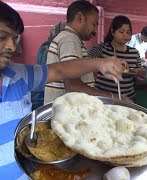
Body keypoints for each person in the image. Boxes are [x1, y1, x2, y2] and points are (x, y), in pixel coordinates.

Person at [0, 2, 123, 178]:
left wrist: (100, 63)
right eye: (2, 37)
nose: (12, 46)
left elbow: (59, 70)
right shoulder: (68, 39)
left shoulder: (19, 75)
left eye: (14, 38)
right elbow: (72, 84)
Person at [45, 0, 115, 103]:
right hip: (65, 113)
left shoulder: (71, 39)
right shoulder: (69, 40)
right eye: (94, 24)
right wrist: (112, 97)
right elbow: (73, 86)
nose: (95, 31)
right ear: (80, 18)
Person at [89, 15, 143, 101]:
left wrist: (139, 73)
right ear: (112, 32)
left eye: (128, 32)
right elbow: (86, 60)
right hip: (104, 97)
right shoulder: (102, 49)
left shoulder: (134, 53)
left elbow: (137, 74)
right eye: (121, 32)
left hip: (127, 98)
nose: (125, 35)